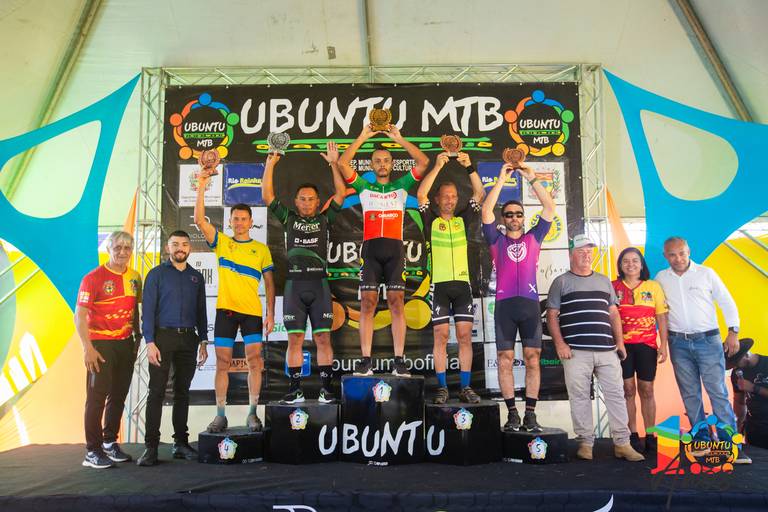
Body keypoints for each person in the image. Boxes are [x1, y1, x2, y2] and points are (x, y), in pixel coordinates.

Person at [337, 122, 430, 376]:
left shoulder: (402, 185)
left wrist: (399, 139)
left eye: (386, 160)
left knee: (397, 303)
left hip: (395, 250)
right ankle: (365, 361)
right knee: (368, 304)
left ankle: (399, 360)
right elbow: (343, 164)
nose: (382, 164)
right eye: (377, 161)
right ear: (371, 165)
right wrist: (362, 136)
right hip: (371, 250)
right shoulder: (364, 187)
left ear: (391, 164)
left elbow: (423, 162)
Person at [546, 234, 644, 462]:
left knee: (616, 395)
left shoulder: (603, 281)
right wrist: (560, 344)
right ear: (571, 254)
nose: (586, 255)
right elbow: (551, 315)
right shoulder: (561, 282)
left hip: (607, 350)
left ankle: (622, 443)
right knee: (579, 397)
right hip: (576, 351)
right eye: (581, 251)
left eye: (589, 251)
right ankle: (585, 443)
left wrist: (620, 342)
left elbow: (613, 313)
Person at [261, 142, 346, 404]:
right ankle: (294, 389)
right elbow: (267, 195)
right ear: (295, 201)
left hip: (319, 284)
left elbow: (341, 193)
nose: (307, 203)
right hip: (294, 286)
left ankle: (326, 389)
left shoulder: (325, 218)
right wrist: (271, 163)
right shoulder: (288, 218)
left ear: (318, 202)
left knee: (323, 338)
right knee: (295, 338)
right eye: (303, 199)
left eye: (311, 199)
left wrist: (333, 163)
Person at [194, 169, 275, 433]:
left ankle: (252, 413)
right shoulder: (222, 242)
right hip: (225, 311)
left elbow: (270, 284)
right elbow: (199, 220)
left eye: (243, 219)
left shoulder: (261, 250)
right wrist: (202, 185)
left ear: (251, 222)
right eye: (235, 219)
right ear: (230, 222)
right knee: (222, 363)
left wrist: (271, 314)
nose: (239, 223)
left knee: (255, 362)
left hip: (251, 312)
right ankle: (220, 415)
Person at [481, 162, 555, 432]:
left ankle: (531, 414)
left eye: (518, 214)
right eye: (509, 214)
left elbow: (549, 208)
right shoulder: (495, 240)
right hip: (505, 307)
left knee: (533, 357)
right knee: (505, 359)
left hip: (529, 306)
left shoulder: (535, 237)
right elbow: (486, 211)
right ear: (503, 219)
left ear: (524, 218)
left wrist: (532, 177)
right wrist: (501, 179)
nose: (514, 218)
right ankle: (512, 413)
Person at [655, 237, 741, 439]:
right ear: (665, 256)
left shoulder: (706, 273)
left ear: (689, 252)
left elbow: (727, 302)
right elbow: (659, 311)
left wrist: (733, 332)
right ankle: (701, 439)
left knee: (718, 392)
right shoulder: (661, 278)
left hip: (708, 341)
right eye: (672, 255)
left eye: (682, 253)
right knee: (690, 394)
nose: (678, 258)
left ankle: (729, 444)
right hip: (678, 343)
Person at [416, 150, 485, 404]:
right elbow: (421, 195)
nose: (450, 200)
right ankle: (443, 387)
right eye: (445, 196)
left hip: (463, 286)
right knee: (441, 337)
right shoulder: (430, 219)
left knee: (465, 337)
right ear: (437, 199)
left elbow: (480, 194)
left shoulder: (463, 219)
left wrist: (469, 167)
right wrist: (437, 166)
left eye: (454, 196)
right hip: (439, 286)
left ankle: (465, 387)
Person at [136, 230, 208, 466]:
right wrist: (150, 342)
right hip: (162, 339)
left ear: (190, 248)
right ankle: (151, 447)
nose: (180, 248)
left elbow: (201, 312)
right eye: (175, 244)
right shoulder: (156, 274)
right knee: (156, 392)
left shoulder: (196, 277)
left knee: (182, 392)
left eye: (184, 244)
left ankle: (180, 444)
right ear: (168, 248)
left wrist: (203, 340)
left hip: (188, 339)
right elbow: (147, 311)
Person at [75, 231, 142, 469]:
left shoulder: (135, 277)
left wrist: (136, 340)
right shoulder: (92, 278)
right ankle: (92, 451)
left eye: (127, 248)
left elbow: (136, 311)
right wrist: (87, 348)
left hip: (125, 345)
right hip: (100, 345)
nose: (122, 252)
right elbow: (79, 316)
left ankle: (109, 442)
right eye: (117, 247)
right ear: (108, 249)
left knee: (118, 395)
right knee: (96, 399)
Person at [612, 247, 668, 453]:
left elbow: (661, 317)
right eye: (626, 261)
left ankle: (651, 434)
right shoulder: (612, 286)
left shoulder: (653, 286)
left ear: (641, 264)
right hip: (621, 347)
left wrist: (664, 345)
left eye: (635, 260)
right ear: (620, 265)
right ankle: (632, 434)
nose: (631, 265)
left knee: (647, 390)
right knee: (627, 390)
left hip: (647, 346)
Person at [731, 338, 767, 453]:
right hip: (754, 427)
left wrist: (754, 388)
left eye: (736, 362)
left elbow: (752, 389)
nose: (734, 367)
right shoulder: (736, 373)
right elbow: (739, 402)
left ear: (746, 355)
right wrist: (738, 426)